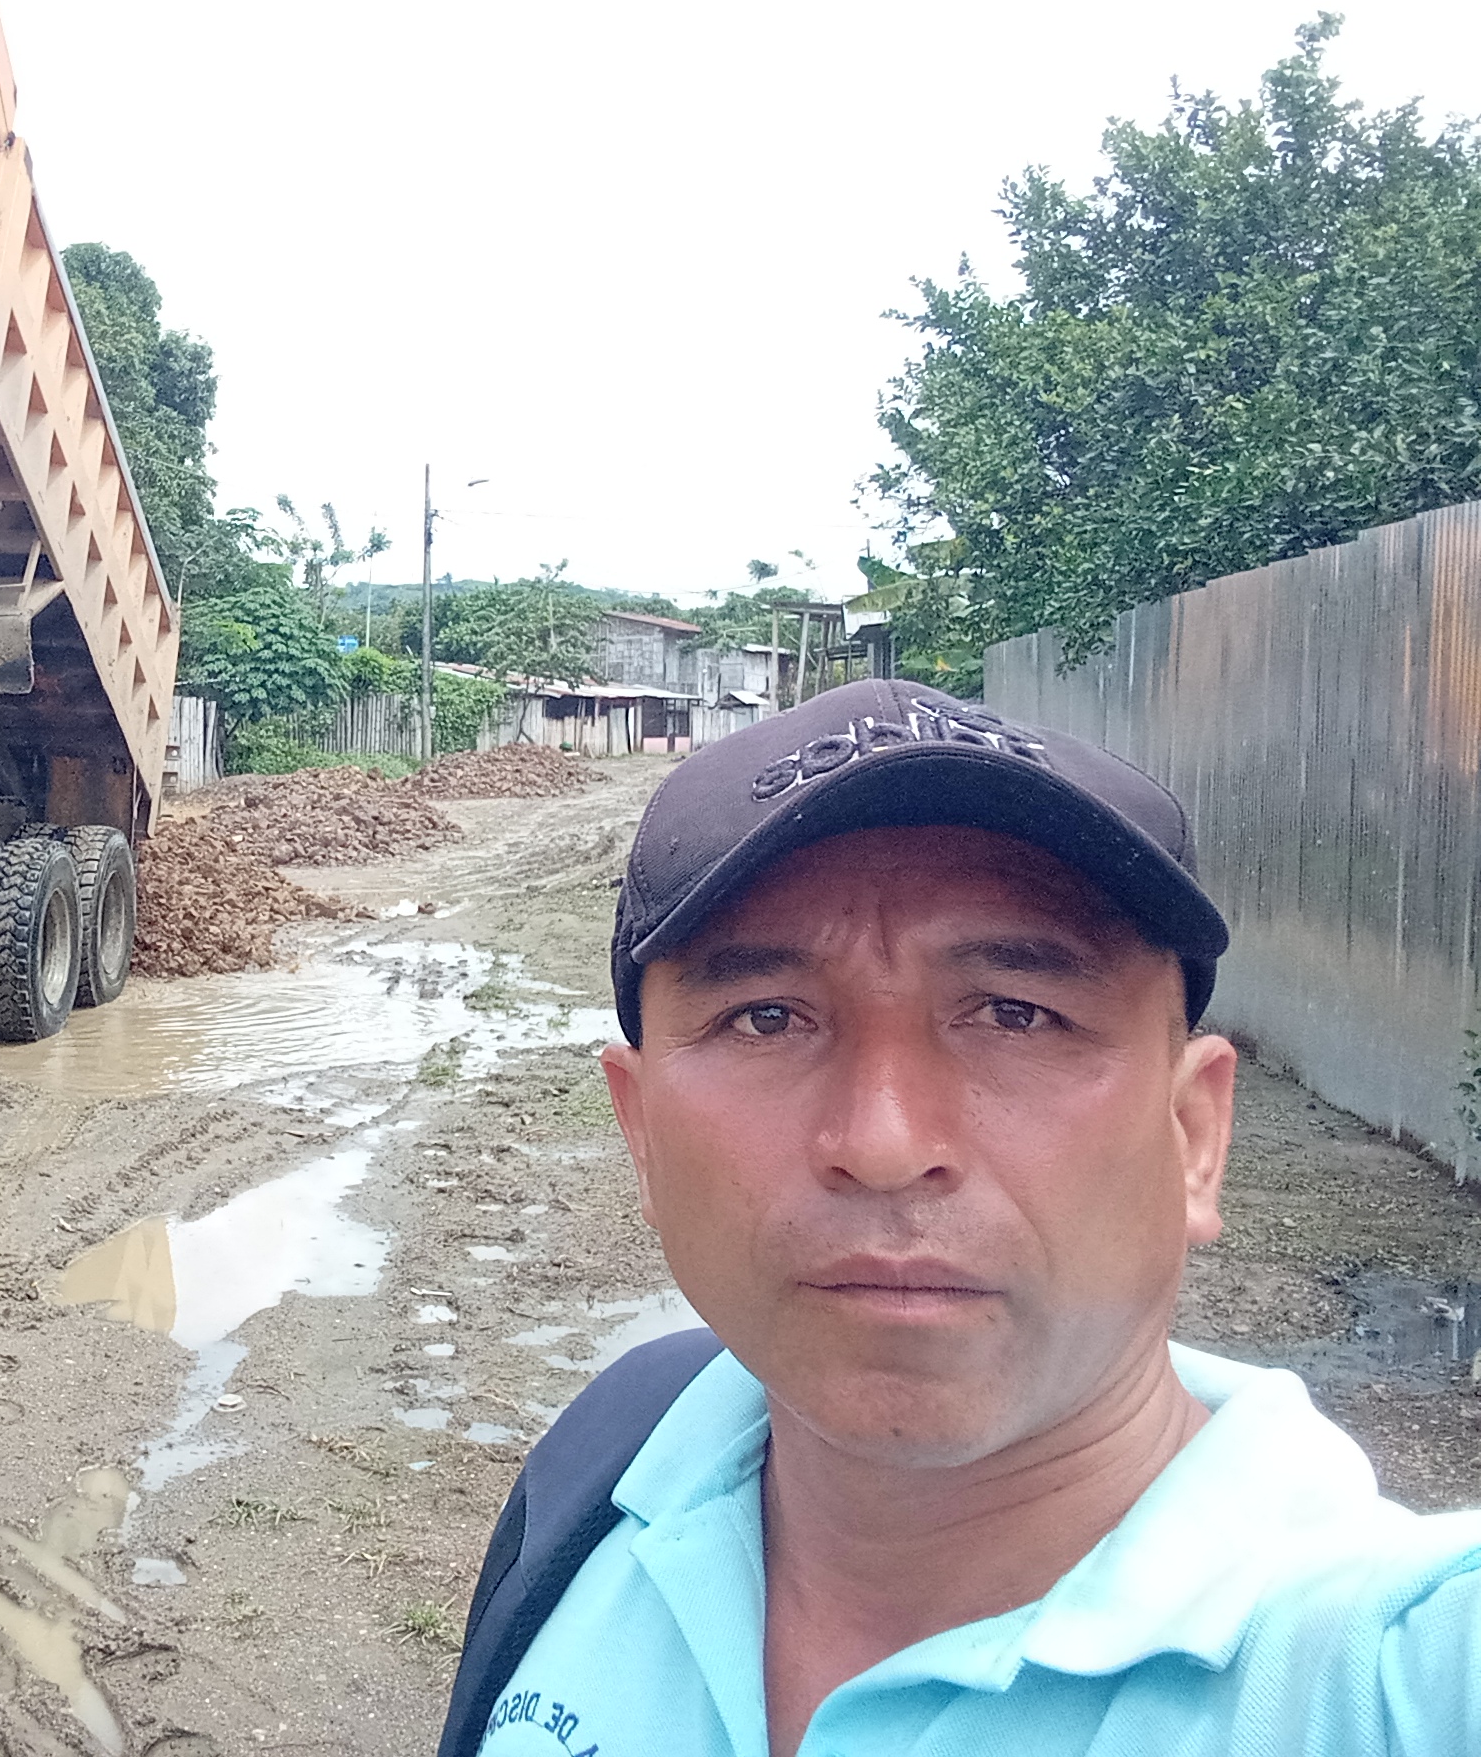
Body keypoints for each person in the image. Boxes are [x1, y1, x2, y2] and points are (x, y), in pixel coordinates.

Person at [443, 678, 1481, 1757]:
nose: (884, 1143)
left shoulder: (1393, 1677)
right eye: (767, 1017)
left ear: (1193, 1135)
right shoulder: (604, 1481)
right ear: (643, 1132)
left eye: (1017, 1014)